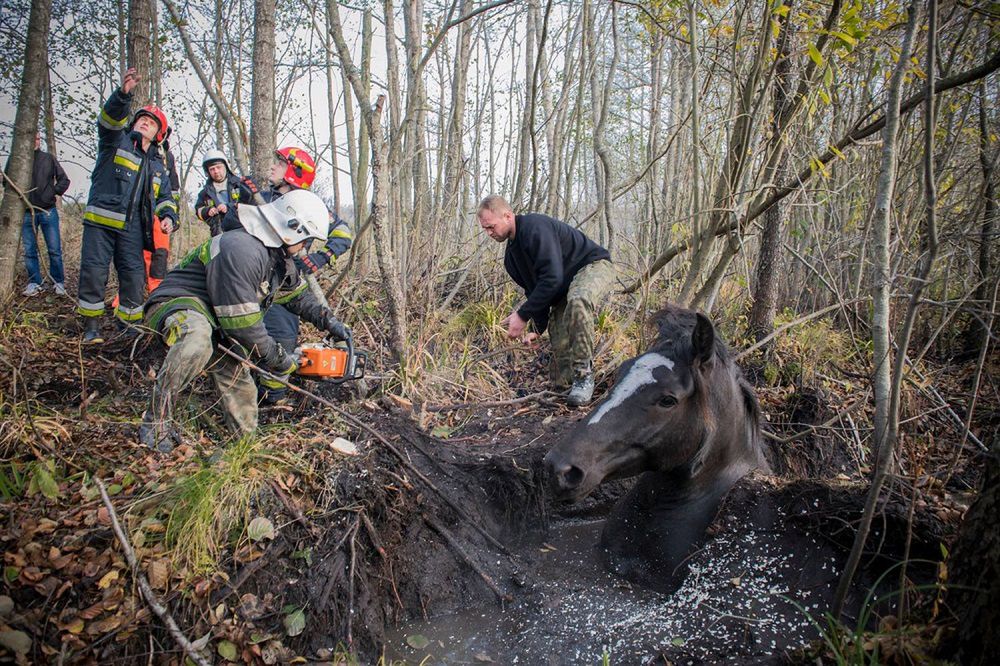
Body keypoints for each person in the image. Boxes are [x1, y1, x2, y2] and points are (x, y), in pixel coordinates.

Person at [139, 188, 352, 453]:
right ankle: (156, 423)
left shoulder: (277, 259)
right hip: (179, 303)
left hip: (216, 318)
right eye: (306, 240)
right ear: (293, 229)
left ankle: (244, 450)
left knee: (240, 384)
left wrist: (328, 321)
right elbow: (243, 325)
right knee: (197, 339)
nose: (305, 247)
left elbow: (297, 297)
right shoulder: (243, 249)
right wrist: (279, 358)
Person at [222, 146, 353, 403]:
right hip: (248, 280)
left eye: (280, 164)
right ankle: (239, 396)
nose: (272, 167)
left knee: (282, 338)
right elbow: (229, 225)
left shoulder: (310, 206)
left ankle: (273, 399)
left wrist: (320, 257)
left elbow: (343, 233)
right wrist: (245, 201)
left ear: (294, 172)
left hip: (285, 282)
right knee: (241, 336)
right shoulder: (263, 197)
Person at [477, 195, 616, 406]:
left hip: (592, 266)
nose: (489, 233)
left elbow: (552, 277)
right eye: (485, 229)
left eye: (491, 226)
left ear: (507, 216)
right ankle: (568, 392)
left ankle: (584, 377)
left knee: (578, 301)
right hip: (562, 289)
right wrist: (537, 327)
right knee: (559, 351)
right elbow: (535, 290)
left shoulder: (534, 226)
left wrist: (522, 315)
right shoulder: (511, 260)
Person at [77, 68, 178, 344]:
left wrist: (169, 216)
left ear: (158, 134)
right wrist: (123, 95)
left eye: (152, 122)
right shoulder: (115, 141)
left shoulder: (158, 166)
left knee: (134, 278)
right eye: (142, 118)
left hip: (133, 229)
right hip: (101, 222)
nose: (145, 123)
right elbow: (108, 121)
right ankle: (91, 328)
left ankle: (128, 328)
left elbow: (166, 198)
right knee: (94, 272)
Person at [17, 133, 71, 296]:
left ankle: (58, 282)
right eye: (32, 138)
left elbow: (64, 180)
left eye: (38, 138)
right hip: (26, 212)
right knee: (29, 250)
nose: (35, 141)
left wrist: (52, 193)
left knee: (54, 249)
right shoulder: (18, 159)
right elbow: (7, 181)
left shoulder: (48, 158)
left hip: (48, 210)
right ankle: (34, 283)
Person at [194, 149, 255, 237]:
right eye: (212, 169)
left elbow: (250, 205)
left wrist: (229, 207)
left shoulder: (240, 185)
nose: (216, 171)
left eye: (219, 167)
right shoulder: (205, 193)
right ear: (208, 172)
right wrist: (207, 211)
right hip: (218, 234)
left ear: (226, 167)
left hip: (243, 231)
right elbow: (198, 211)